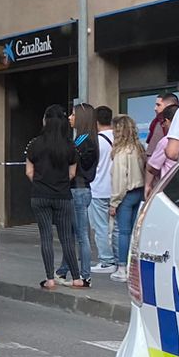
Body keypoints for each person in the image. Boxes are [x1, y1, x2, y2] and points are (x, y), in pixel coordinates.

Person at [24, 103, 83, 290]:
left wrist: (43, 182)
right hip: (63, 196)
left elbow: (28, 171)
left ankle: (49, 279)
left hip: (40, 195)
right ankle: (76, 278)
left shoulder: (34, 144)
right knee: (67, 238)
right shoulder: (71, 146)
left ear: (45, 121)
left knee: (46, 237)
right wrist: (59, 182)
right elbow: (72, 173)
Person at [107, 120, 147, 281]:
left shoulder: (121, 153)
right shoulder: (138, 148)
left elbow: (119, 181)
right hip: (139, 191)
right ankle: (132, 267)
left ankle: (122, 267)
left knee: (122, 232)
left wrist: (114, 202)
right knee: (133, 232)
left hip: (126, 194)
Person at [71, 102, 105, 277]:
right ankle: (65, 269)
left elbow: (75, 166)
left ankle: (84, 275)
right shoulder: (85, 139)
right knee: (73, 234)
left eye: (73, 115)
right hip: (82, 188)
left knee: (81, 235)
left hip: (79, 189)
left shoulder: (83, 141)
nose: (70, 118)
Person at [88, 104, 118, 271]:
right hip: (117, 189)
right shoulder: (119, 138)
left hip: (98, 188)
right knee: (118, 228)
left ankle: (107, 260)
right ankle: (119, 259)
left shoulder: (96, 141)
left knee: (100, 226)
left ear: (96, 121)